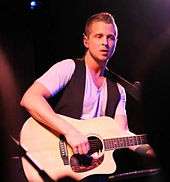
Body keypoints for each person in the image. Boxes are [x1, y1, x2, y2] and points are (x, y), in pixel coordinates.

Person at [20, 12, 156, 182]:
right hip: (56, 159)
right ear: (86, 41)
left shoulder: (118, 89)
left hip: (91, 172)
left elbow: (123, 134)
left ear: (115, 43)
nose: (105, 42)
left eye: (110, 37)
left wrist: (151, 148)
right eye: (99, 36)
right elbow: (30, 98)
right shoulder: (68, 68)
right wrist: (70, 132)